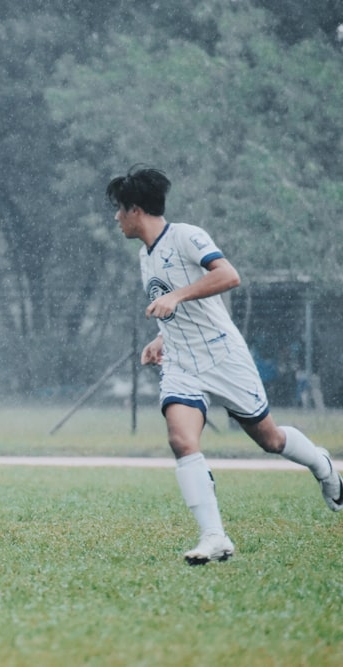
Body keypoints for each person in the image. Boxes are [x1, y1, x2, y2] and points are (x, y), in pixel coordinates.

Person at [107, 166, 343, 565]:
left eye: (118, 210)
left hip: (223, 355)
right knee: (181, 440)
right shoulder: (145, 257)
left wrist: (177, 297)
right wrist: (161, 337)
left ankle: (323, 466)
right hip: (182, 361)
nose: (115, 218)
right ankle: (214, 536)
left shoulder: (186, 235)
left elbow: (229, 276)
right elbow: (175, 305)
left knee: (270, 440)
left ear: (136, 210)